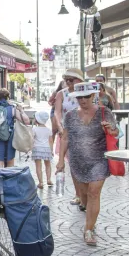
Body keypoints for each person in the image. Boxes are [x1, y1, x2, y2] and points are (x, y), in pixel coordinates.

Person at [57, 81, 119, 246]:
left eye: (86, 96)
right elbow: (65, 138)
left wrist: (110, 130)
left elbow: (116, 132)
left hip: (99, 160)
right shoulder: (70, 115)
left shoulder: (105, 113)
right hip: (78, 161)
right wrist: (60, 161)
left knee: (94, 193)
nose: (83, 100)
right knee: (84, 197)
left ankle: (88, 229)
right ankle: (89, 216)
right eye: (79, 97)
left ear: (94, 96)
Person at [54, 68, 85, 205]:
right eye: (66, 80)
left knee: (85, 164)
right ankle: (78, 194)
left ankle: (86, 194)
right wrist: (60, 127)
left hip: (85, 133)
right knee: (73, 164)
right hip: (68, 132)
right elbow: (57, 112)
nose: (68, 83)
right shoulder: (62, 94)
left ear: (79, 80)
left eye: (71, 80)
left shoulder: (86, 92)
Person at [0, 88, 30, 169]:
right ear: (8, 97)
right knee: (9, 166)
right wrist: (21, 110)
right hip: (8, 141)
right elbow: (26, 122)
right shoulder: (11, 109)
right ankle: (7, 181)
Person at [31, 111, 53, 189]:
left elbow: (32, 140)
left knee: (38, 166)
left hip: (37, 148)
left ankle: (40, 183)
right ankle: (49, 179)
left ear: (37, 120)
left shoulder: (34, 129)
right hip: (46, 149)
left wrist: (30, 148)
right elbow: (50, 141)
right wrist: (51, 151)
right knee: (48, 165)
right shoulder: (48, 130)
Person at [48, 80, 65, 149]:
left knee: (63, 132)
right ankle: (51, 149)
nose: (66, 84)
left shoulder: (68, 92)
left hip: (63, 112)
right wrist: (54, 104)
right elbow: (49, 101)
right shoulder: (57, 92)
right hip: (55, 111)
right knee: (54, 130)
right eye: (65, 83)